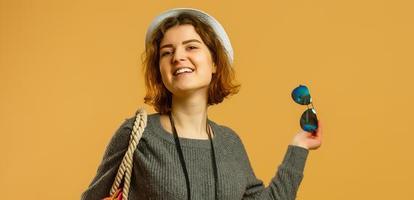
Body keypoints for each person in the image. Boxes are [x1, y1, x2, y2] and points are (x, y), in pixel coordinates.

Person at [81, 8, 322, 200]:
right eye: (166, 52)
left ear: (215, 63)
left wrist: (298, 147)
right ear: (160, 70)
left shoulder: (230, 144)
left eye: (191, 47)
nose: (178, 57)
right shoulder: (137, 134)